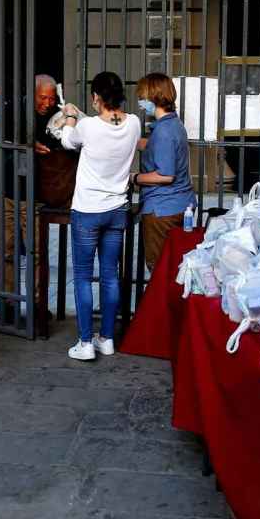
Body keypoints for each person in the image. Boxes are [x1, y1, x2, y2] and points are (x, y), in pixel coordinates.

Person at [60, 72, 140, 361]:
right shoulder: (134, 123)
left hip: (88, 210)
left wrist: (70, 115)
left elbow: (68, 141)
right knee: (109, 276)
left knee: (82, 277)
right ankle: (106, 338)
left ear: (96, 98)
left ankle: (85, 342)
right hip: (117, 210)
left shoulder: (87, 126)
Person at [0, 74, 58, 324]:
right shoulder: (12, 109)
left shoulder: (56, 115)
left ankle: (36, 305)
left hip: (32, 195)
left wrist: (68, 114)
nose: (47, 102)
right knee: (2, 250)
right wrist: (27, 144)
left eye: (51, 98)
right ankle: (8, 303)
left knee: (36, 252)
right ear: (32, 94)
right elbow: (5, 134)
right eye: (42, 97)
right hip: (1, 190)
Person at [133, 72, 195, 270]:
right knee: (172, 267)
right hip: (177, 205)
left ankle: (162, 302)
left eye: (142, 97)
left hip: (162, 209)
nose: (140, 102)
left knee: (160, 269)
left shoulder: (164, 131)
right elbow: (152, 145)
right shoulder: (173, 124)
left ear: (153, 96)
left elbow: (165, 175)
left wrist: (134, 178)